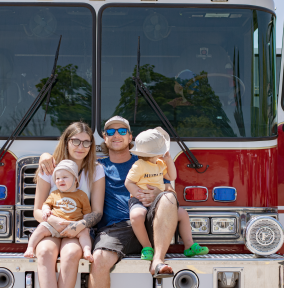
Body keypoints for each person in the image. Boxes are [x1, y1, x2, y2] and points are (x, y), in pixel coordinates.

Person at [38, 116, 178, 287]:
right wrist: (45, 155)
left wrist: (159, 191)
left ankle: (157, 261)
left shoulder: (147, 161)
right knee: (98, 260)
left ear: (130, 137)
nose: (116, 135)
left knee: (169, 197)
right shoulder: (98, 168)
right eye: (110, 132)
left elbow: (170, 190)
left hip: (149, 223)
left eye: (122, 131)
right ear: (104, 138)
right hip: (115, 229)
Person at [33, 122, 105, 288]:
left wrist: (77, 226)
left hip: (78, 230)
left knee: (72, 253)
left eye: (86, 142)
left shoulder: (96, 170)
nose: (81, 147)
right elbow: (37, 210)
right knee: (44, 252)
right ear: (66, 141)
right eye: (76, 141)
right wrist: (53, 222)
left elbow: (97, 212)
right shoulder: (49, 167)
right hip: (50, 228)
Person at [126, 127, 209, 261]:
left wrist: (169, 161)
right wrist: (138, 194)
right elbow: (128, 182)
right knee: (136, 216)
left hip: (159, 200)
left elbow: (172, 176)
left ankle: (189, 245)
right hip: (139, 199)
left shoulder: (160, 164)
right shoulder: (138, 165)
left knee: (182, 214)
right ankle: (147, 247)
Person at [24, 160, 94, 262]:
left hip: (73, 226)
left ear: (75, 180)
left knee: (84, 232)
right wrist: (46, 210)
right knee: (41, 228)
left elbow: (87, 212)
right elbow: (46, 204)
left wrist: (82, 224)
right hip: (53, 226)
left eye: (65, 177)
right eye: (57, 178)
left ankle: (87, 251)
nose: (60, 180)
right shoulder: (54, 194)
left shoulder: (82, 195)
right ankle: (30, 248)